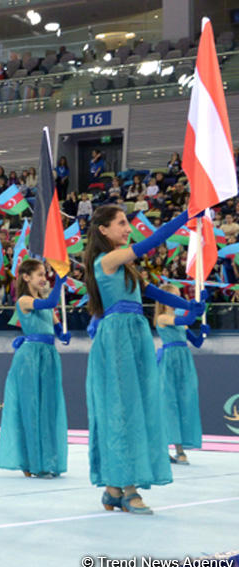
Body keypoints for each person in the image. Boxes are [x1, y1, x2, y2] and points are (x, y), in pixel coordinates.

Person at [82, 205, 203, 515]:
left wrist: (190, 307)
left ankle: (113, 488)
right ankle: (128, 487)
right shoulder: (106, 260)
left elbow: (156, 295)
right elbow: (150, 243)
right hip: (118, 339)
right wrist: (186, 216)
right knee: (123, 410)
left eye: (127, 223)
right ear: (103, 230)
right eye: (121, 223)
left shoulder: (126, 269)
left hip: (135, 338)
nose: (127, 228)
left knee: (136, 407)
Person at [0, 259, 69, 479]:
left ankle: (47, 459)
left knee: (47, 409)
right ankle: (33, 461)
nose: (43, 278)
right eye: (40, 274)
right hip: (30, 358)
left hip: (48, 356)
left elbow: (55, 323)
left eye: (45, 275)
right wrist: (59, 281)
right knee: (31, 408)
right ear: (26, 277)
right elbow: (49, 305)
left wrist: (62, 333)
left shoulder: (45, 300)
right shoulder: (25, 300)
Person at [153, 283, 206, 466]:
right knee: (170, 404)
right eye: (176, 296)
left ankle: (177, 448)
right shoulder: (162, 318)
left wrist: (203, 334)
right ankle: (177, 450)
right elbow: (187, 320)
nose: (179, 300)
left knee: (186, 401)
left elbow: (196, 342)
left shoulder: (177, 317)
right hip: (169, 362)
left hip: (184, 361)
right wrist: (197, 306)